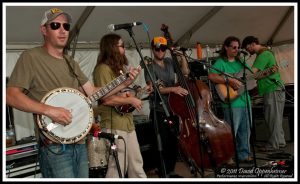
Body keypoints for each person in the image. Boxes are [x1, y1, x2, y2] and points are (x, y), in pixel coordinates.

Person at [6, 8, 140, 178]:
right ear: (44, 30)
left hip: (79, 141)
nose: (62, 30)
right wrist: (48, 110)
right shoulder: (30, 57)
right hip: (54, 146)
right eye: (55, 25)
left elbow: (93, 92)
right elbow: (10, 95)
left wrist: (124, 82)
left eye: (66, 26)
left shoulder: (71, 62)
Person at [93, 33, 147, 178]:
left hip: (127, 122)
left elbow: (125, 93)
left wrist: (135, 92)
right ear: (112, 48)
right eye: (121, 46)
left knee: (137, 165)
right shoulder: (103, 69)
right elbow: (106, 99)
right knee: (117, 166)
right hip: (113, 123)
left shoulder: (120, 69)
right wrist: (130, 101)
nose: (124, 50)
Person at [144, 36, 189, 178]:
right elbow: (154, 88)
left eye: (163, 48)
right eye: (157, 48)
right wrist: (173, 89)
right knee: (161, 143)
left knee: (173, 142)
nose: (160, 51)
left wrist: (182, 58)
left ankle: (171, 170)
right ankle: (162, 171)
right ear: (153, 49)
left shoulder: (170, 61)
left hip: (173, 108)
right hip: (158, 109)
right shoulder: (149, 65)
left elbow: (185, 73)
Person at [207, 36, 253, 163]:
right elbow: (211, 76)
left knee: (246, 130)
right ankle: (228, 156)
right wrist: (229, 80)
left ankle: (243, 154)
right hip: (232, 102)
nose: (236, 49)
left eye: (238, 47)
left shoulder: (241, 62)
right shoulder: (221, 62)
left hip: (245, 100)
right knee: (231, 132)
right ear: (226, 47)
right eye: (233, 47)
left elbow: (250, 77)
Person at [242, 36, 286, 151]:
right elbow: (261, 74)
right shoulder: (266, 53)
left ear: (252, 44)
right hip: (275, 89)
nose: (248, 51)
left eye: (247, 48)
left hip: (272, 89)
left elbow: (253, 73)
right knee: (276, 118)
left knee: (271, 118)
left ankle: (272, 145)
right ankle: (279, 142)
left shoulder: (263, 54)